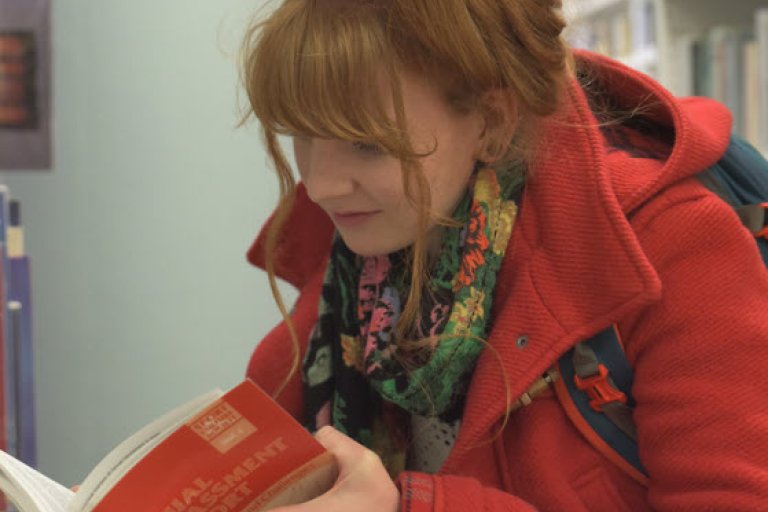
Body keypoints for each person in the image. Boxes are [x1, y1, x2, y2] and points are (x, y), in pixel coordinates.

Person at [239, 1, 768, 510]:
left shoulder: (675, 247)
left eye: (367, 144)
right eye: (303, 135)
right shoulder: (350, 262)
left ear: (491, 123)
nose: (321, 185)